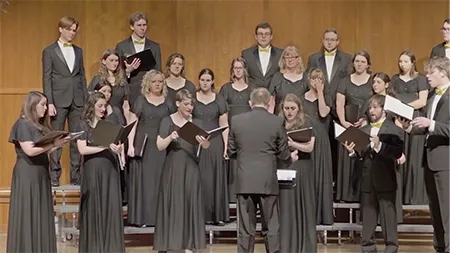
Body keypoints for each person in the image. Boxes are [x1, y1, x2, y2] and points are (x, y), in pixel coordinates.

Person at [228, 87, 297, 253]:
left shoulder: (237, 121)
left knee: (245, 229)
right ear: (269, 103)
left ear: (250, 103)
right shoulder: (276, 121)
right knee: (271, 227)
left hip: (245, 181)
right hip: (267, 181)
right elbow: (283, 152)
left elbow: (231, 151)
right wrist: (290, 159)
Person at [7, 91, 70, 253]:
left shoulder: (38, 126)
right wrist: (52, 144)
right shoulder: (22, 124)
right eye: (42, 104)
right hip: (27, 174)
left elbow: (43, 151)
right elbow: (30, 150)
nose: (45, 108)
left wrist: (58, 144)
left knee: (40, 214)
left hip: (41, 173)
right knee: (28, 213)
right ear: (32, 105)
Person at [400, 56, 450, 253]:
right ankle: (439, 247)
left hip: (446, 162)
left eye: (431, 72)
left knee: (447, 211)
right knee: (436, 211)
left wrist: (432, 124)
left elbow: (437, 126)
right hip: (430, 160)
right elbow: (426, 127)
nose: (427, 76)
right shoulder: (431, 96)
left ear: (443, 73)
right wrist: (409, 128)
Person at [344, 94, 404, 253]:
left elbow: (397, 152)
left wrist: (379, 146)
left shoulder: (394, 130)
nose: (372, 110)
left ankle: (391, 248)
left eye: (376, 107)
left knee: (388, 218)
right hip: (368, 178)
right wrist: (353, 152)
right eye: (370, 107)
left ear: (384, 110)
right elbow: (361, 152)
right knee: (368, 218)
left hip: (385, 179)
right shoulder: (363, 130)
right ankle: (367, 248)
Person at [153, 89, 210, 253]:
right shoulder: (167, 121)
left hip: (191, 166)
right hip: (173, 167)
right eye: (186, 104)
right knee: (173, 202)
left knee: (190, 201)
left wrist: (204, 142)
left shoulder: (197, 123)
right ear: (178, 104)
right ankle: (169, 242)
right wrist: (171, 137)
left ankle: (189, 244)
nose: (190, 107)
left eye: (191, 104)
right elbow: (159, 145)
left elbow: (206, 146)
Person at [76, 92, 125, 253]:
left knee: (109, 204)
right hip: (93, 169)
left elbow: (115, 145)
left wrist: (117, 149)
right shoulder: (83, 125)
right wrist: (104, 146)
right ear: (92, 106)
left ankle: (110, 246)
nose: (103, 109)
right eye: (100, 106)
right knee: (94, 206)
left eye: (104, 106)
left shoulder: (108, 124)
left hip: (109, 168)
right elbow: (82, 149)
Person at [42, 16, 88, 186]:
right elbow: (46, 78)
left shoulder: (78, 51)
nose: (72, 33)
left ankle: (76, 177)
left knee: (77, 138)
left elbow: (82, 76)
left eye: (74, 30)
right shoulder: (49, 51)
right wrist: (49, 102)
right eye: (69, 29)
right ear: (61, 29)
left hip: (77, 99)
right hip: (58, 100)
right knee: (56, 138)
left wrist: (85, 100)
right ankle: (54, 177)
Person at [127, 70, 174, 227]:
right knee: (146, 181)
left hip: (161, 145)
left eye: (160, 81)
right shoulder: (141, 101)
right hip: (144, 144)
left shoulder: (168, 102)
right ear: (148, 83)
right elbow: (132, 124)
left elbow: (174, 122)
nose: (157, 84)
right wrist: (131, 145)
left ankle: (161, 218)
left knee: (161, 180)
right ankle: (144, 218)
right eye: (154, 81)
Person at [278, 93, 317, 252]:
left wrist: (293, 143)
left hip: (303, 167)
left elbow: (309, 147)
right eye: (286, 108)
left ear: (299, 108)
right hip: (285, 167)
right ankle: (287, 246)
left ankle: (305, 246)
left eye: (292, 108)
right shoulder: (278, 124)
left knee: (304, 204)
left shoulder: (306, 122)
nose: (289, 111)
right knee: (287, 205)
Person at [115, 12, 162, 107]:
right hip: (130, 90)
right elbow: (116, 72)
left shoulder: (155, 47)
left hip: (149, 91)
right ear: (132, 27)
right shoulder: (121, 46)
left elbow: (158, 70)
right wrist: (127, 71)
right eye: (139, 25)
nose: (142, 28)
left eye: (144, 25)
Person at [241, 21, 283, 89]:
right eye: (260, 34)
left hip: (274, 94)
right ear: (256, 36)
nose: (263, 36)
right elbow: (243, 76)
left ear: (271, 36)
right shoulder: (246, 54)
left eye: (267, 34)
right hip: (252, 94)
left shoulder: (280, 53)